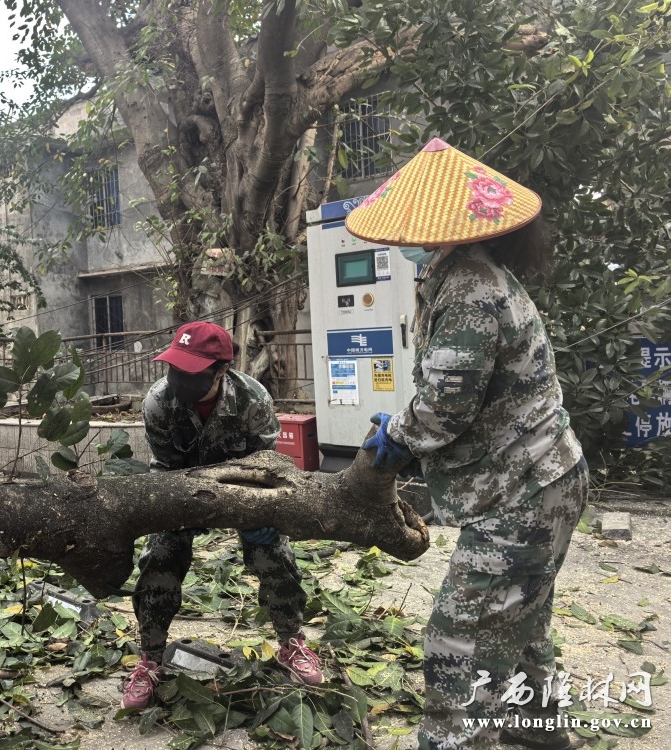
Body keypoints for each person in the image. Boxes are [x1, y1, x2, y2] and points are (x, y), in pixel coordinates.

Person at [346, 138, 588, 750]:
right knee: (521, 620)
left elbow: (445, 407)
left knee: (461, 640)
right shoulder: (464, 276)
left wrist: (395, 437)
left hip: (523, 489)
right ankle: (537, 732)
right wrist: (410, 424)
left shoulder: (469, 289)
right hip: (543, 479)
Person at [121, 321, 323, 711]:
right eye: (175, 368)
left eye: (191, 371)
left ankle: (291, 642)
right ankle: (150, 658)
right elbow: (166, 466)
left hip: (242, 493)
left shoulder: (253, 400)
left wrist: (264, 512)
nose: (179, 378)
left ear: (222, 370)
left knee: (275, 554)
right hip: (181, 492)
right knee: (159, 558)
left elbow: (265, 467)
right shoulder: (158, 402)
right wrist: (173, 513)